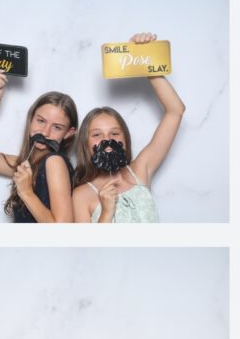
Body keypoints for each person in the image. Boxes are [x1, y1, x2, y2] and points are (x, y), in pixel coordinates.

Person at [73, 32, 186, 223]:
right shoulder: (81, 196)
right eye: (97, 134)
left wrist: (147, 62)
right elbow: (86, 244)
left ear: (125, 138)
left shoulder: (140, 170)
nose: (107, 140)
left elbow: (175, 111)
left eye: (114, 133)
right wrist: (106, 212)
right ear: (85, 143)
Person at [0, 70, 78, 222]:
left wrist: (27, 192)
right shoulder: (25, 166)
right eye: (41, 121)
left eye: (57, 127)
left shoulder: (54, 162)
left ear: (68, 133)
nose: (45, 132)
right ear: (31, 119)